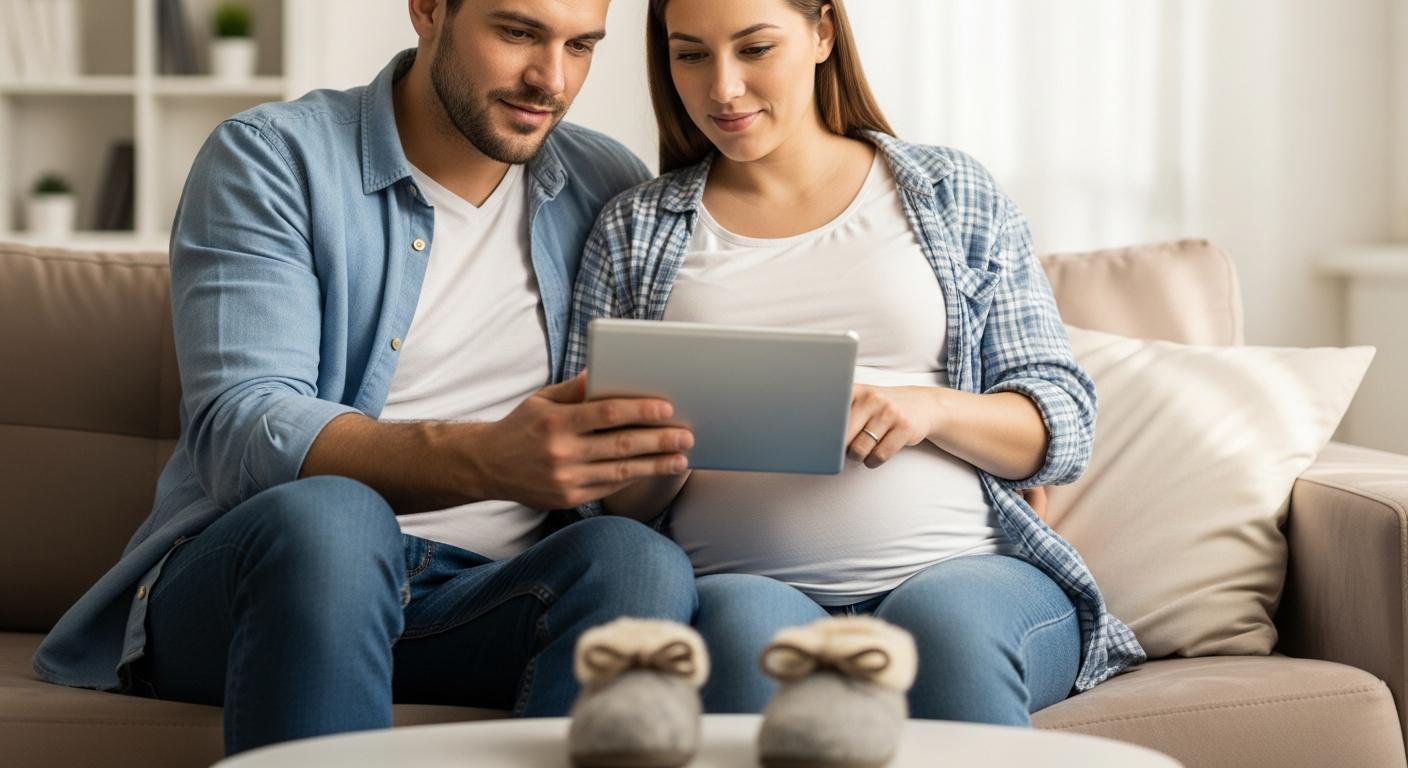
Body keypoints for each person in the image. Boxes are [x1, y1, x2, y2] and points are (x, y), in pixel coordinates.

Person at [34, 0, 704, 755]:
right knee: (336, 522)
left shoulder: (604, 179)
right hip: (273, 574)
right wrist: (489, 457)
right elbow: (243, 424)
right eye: (517, 32)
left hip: (485, 596)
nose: (550, 78)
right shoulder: (272, 157)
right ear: (427, 10)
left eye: (580, 45)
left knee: (637, 561)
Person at [565, 0, 1145, 724]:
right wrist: (664, 449)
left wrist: (931, 408)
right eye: (691, 55)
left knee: (949, 632)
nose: (723, 89)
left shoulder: (947, 190)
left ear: (822, 32)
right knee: (745, 639)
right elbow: (597, 496)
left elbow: (1061, 424)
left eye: (754, 49)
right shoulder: (633, 229)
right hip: (740, 582)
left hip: (967, 572)